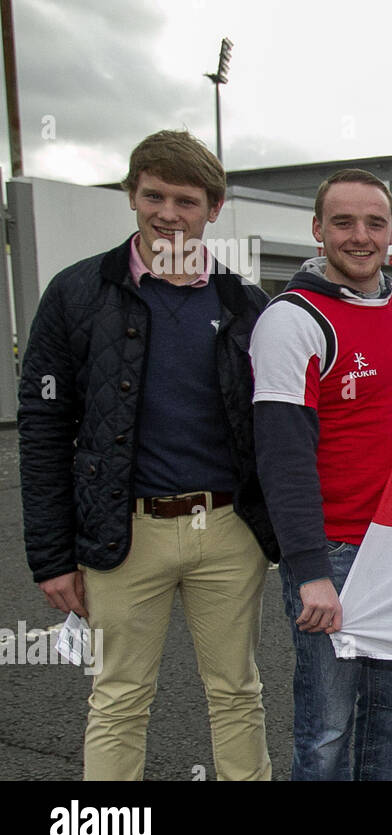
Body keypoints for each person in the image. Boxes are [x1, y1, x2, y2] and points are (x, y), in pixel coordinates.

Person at [18, 130, 279, 780]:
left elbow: (277, 425)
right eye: (153, 194)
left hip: (227, 533)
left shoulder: (245, 303)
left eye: (185, 200)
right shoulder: (78, 294)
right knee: (119, 698)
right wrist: (53, 558)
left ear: (213, 208)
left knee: (238, 692)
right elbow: (44, 428)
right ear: (133, 193)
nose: (168, 212)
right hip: (122, 537)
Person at [250, 169, 392, 780]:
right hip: (336, 554)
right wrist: (309, 573)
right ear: (317, 230)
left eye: (374, 223)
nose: (360, 237)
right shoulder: (291, 320)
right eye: (343, 223)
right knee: (326, 729)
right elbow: (282, 458)